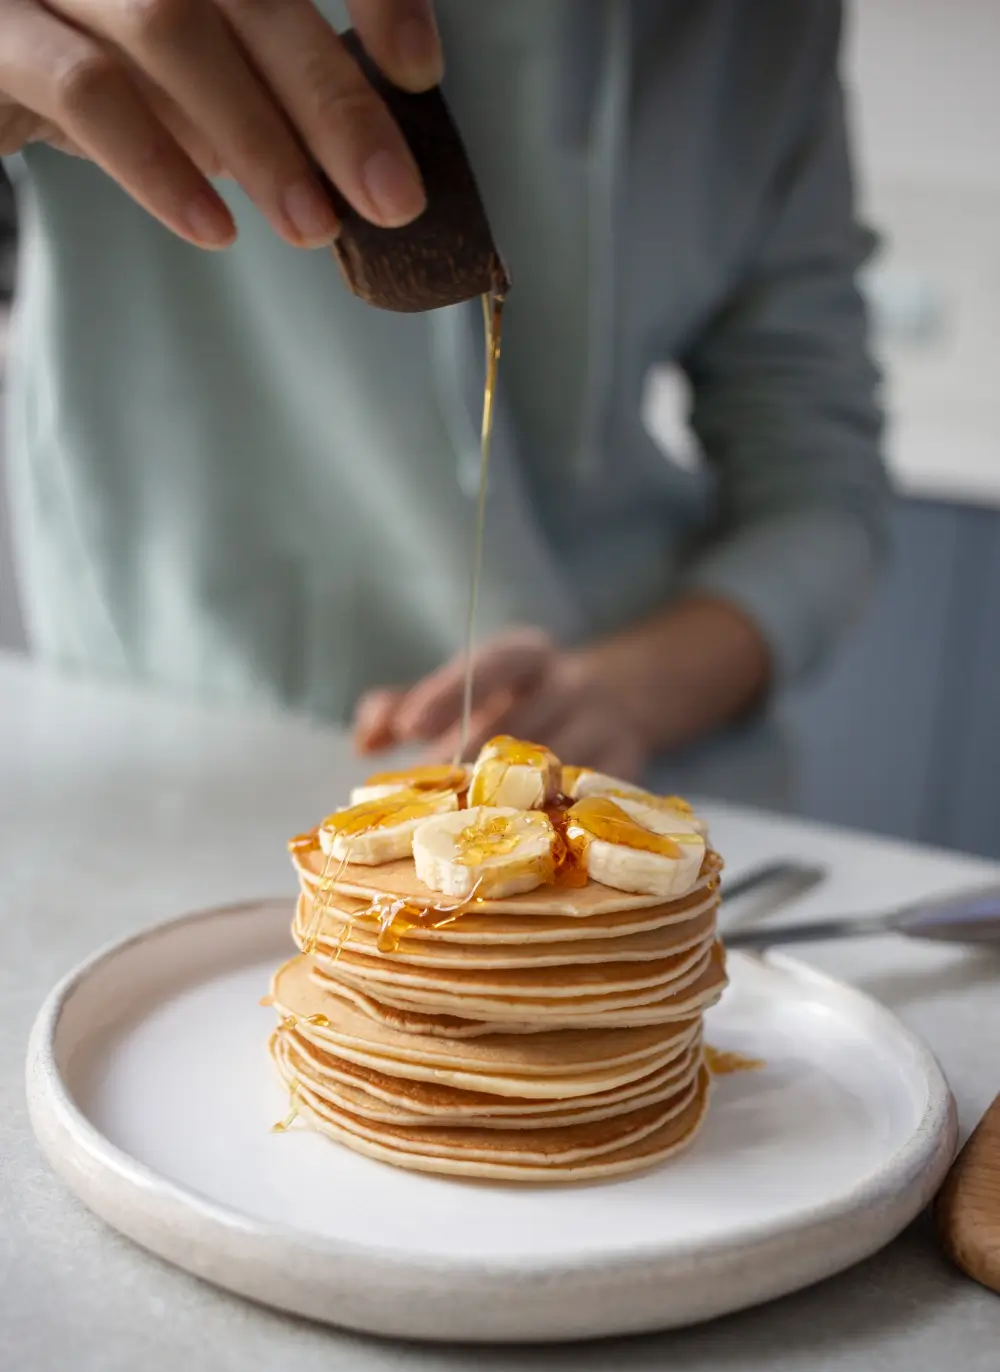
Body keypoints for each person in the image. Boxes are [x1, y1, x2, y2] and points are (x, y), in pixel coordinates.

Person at [0, 0, 889, 808]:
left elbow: (821, 490)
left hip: (636, 781)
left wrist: (622, 693)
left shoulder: (770, 31)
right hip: (174, 761)